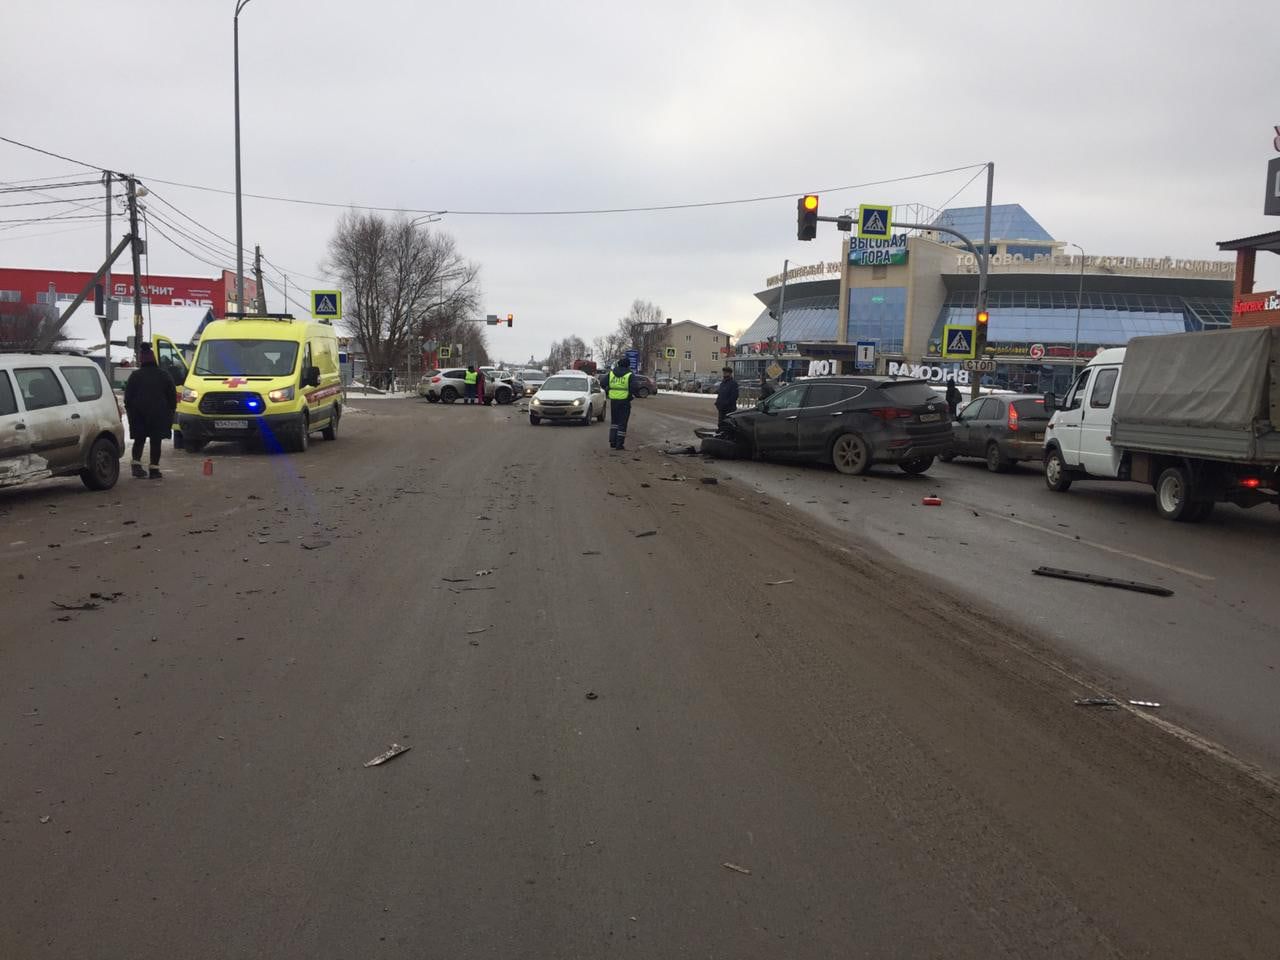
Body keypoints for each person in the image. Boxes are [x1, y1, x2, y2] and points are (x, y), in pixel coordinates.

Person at [124, 342, 177, 480]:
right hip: (159, 414)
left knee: (139, 439)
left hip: (138, 414)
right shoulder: (164, 375)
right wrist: (171, 410)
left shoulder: (135, 376)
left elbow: (127, 397)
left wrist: (131, 410)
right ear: (154, 360)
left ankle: (136, 466)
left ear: (142, 360)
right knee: (156, 441)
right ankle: (154, 469)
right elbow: (172, 396)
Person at [602, 358, 637, 450]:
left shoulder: (612, 373)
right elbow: (634, 387)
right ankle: (619, 444)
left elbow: (602, 383)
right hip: (624, 401)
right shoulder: (630, 374)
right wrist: (630, 396)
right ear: (627, 365)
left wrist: (608, 390)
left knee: (614, 422)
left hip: (614, 400)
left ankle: (612, 441)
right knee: (622, 423)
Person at [715, 365, 739, 432]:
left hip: (729, 409)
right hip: (721, 408)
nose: (724, 374)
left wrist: (726, 404)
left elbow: (734, 396)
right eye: (724, 372)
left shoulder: (733, 383)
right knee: (720, 424)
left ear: (730, 373)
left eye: (726, 372)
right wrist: (717, 403)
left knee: (728, 425)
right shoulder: (723, 383)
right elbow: (720, 394)